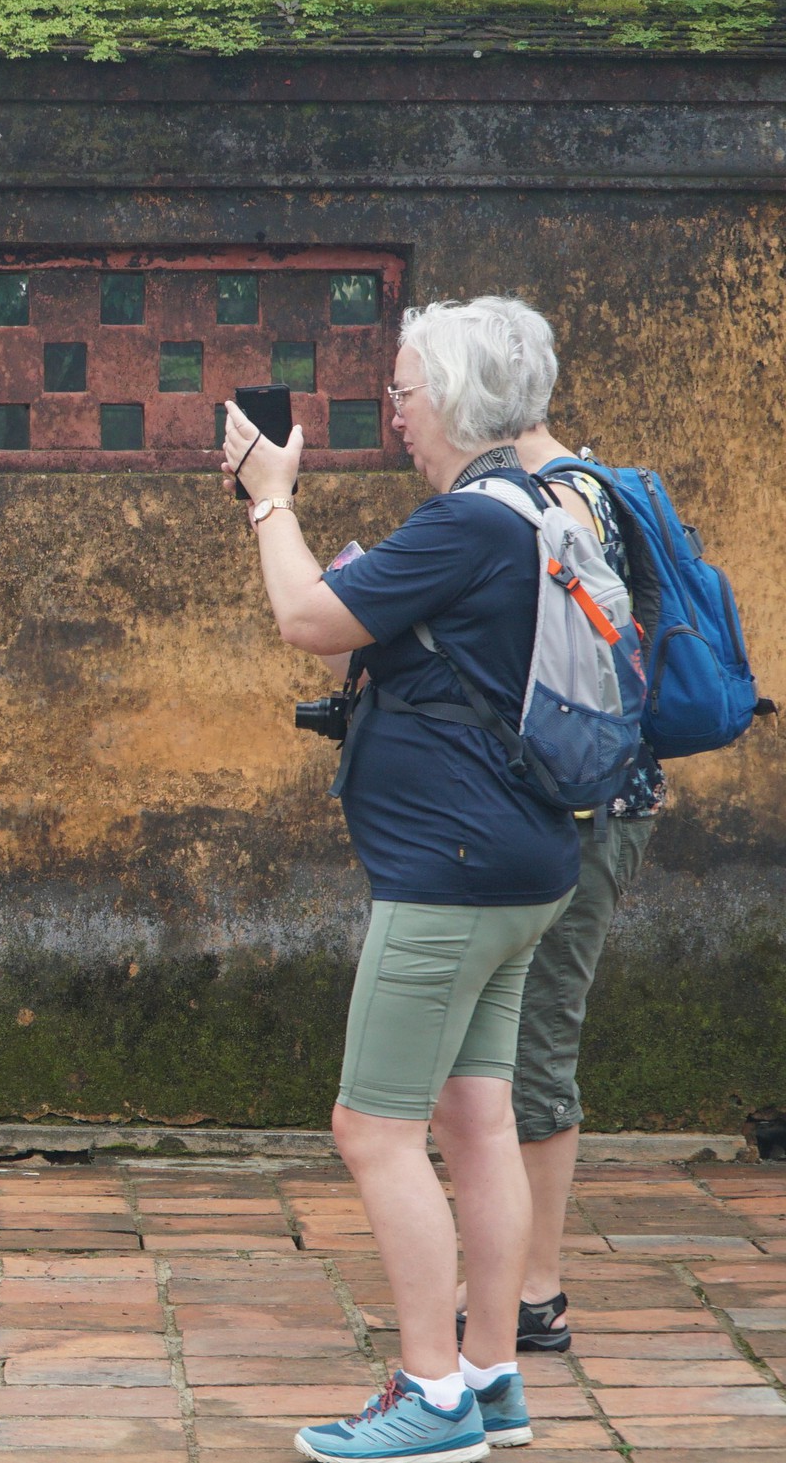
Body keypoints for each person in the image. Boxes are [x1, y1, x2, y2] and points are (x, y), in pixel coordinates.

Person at [224, 297, 580, 1463]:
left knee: (370, 1128)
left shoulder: (466, 523)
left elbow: (302, 617)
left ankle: (429, 1398)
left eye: (405, 388)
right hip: (522, 858)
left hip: (450, 872)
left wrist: (269, 497)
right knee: (475, 1118)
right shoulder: (539, 507)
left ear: (463, 400)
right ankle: (490, 1376)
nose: (393, 406)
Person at [450, 300, 663, 1353]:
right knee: (516, 1034)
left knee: (535, 1038)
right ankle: (518, 1274)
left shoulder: (561, 498)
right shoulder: (570, 486)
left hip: (581, 811)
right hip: (572, 807)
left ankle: (536, 1287)